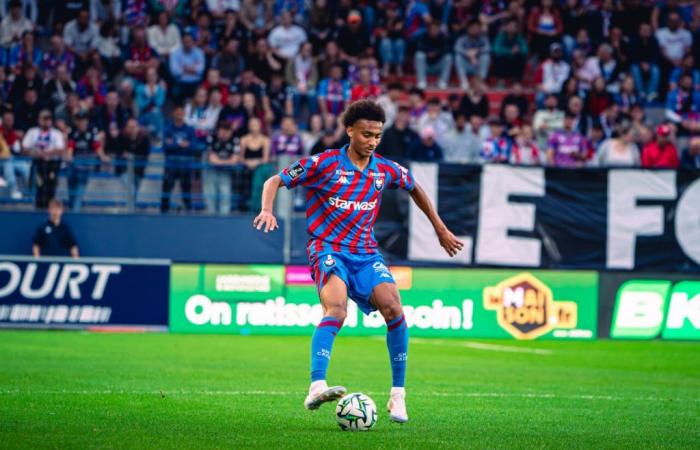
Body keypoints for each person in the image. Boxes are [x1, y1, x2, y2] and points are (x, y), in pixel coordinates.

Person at [253, 99, 463, 423]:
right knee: (337, 308)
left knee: (394, 307)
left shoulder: (384, 168)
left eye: (377, 135)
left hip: (365, 253)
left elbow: (414, 186)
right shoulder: (324, 164)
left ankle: (398, 396)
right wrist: (267, 209)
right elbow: (274, 181)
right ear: (349, 130)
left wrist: (440, 228)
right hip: (327, 249)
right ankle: (316, 385)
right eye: (366, 134)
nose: (372, 141)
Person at [22, 110, 66, 208]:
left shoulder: (56, 133)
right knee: (39, 187)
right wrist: (36, 153)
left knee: (50, 188)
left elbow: (60, 149)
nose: (46, 121)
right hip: (37, 163)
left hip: (52, 164)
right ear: (39, 120)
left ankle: (49, 208)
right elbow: (25, 147)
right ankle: (38, 208)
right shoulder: (32, 132)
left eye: (49, 119)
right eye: (44, 119)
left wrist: (46, 153)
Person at [161, 105, 201, 212]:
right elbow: (165, 147)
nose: (179, 115)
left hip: (185, 165)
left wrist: (174, 144)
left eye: (181, 113)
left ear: (184, 114)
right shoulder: (167, 129)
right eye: (177, 113)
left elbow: (193, 146)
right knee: (166, 190)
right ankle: (163, 212)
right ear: (173, 114)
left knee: (186, 191)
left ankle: (188, 211)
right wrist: (181, 144)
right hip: (171, 164)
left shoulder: (190, 129)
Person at [66, 109, 105, 211]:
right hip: (73, 166)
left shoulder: (92, 131)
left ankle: (75, 211)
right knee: (71, 192)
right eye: (79, 120)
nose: (82, 122)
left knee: (79, 191)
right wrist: (69, 156)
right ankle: (72, 209)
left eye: (84, 120)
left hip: (85, 167)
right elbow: (70, 146)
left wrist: (102, 156)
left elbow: (97, 146)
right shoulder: (72, 131)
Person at [204, 121, 238, 215]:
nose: (224, 134)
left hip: (225, 172)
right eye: (222, 131)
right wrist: (227, 162)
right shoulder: (211, 138)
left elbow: (234, 160)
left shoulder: (234, 140)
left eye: (227, 131)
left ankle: (224, 217)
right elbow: (212, 159)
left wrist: (221, 162)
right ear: (218, 130)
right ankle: (210, 216)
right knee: (210, 194)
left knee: (225, 194)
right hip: (210, 171)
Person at [414, 21, 453, 89]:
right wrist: (428, 52)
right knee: (419, 55)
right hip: (425, 66)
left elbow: (447, 49)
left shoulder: (443, 37)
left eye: (436, 29)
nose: (435, 31)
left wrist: (436, 53)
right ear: (428, 29)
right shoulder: (423, 36)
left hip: (438, 65)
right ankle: (422, 81)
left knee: (449, 57)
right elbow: (419, 47)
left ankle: (443, 82)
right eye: (433, 29)